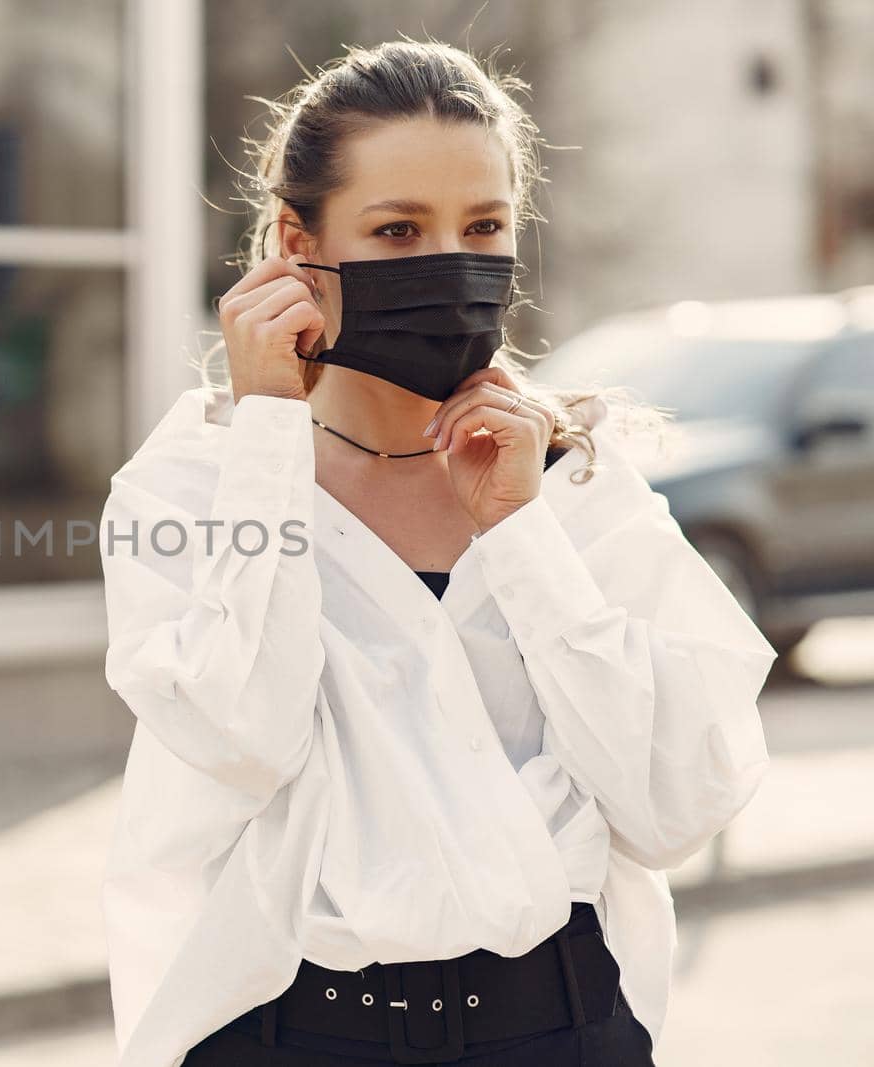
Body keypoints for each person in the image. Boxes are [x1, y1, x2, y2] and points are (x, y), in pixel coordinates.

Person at [97, 39, 778, 1067]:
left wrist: (521, 531)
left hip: (561, 1028)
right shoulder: (190, 482)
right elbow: (243, 734)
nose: (448, 262)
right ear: (297, 242)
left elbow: (678, 806)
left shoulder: (580, 483)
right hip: (291, 1034)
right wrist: (269, 435)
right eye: (397, 228)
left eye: (483, 226)